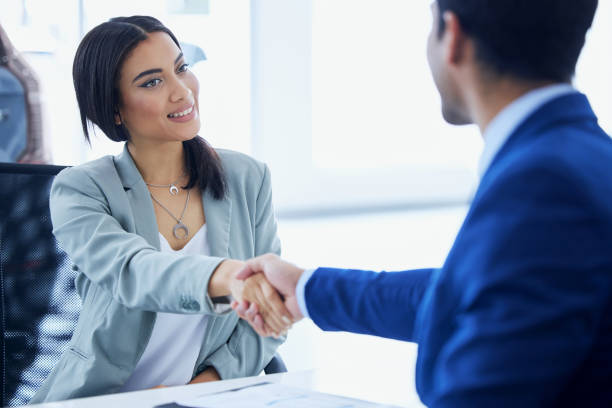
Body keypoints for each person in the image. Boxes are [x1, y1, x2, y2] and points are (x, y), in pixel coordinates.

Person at [234, 0, 612, 406]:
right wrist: (309, 289)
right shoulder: (584, 155)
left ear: (453, 37)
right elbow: (482, 293)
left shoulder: (541, 182)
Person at [31, 16, 292, 403]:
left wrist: (193, 393)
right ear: (114, 109)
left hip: (207, 396)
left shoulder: (247, 177)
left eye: (181, 68)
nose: (182, 91)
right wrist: (229, 276)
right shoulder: (80, 190)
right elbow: (135, 273)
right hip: (104, 397)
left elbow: (266, 320)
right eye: (153, 82)